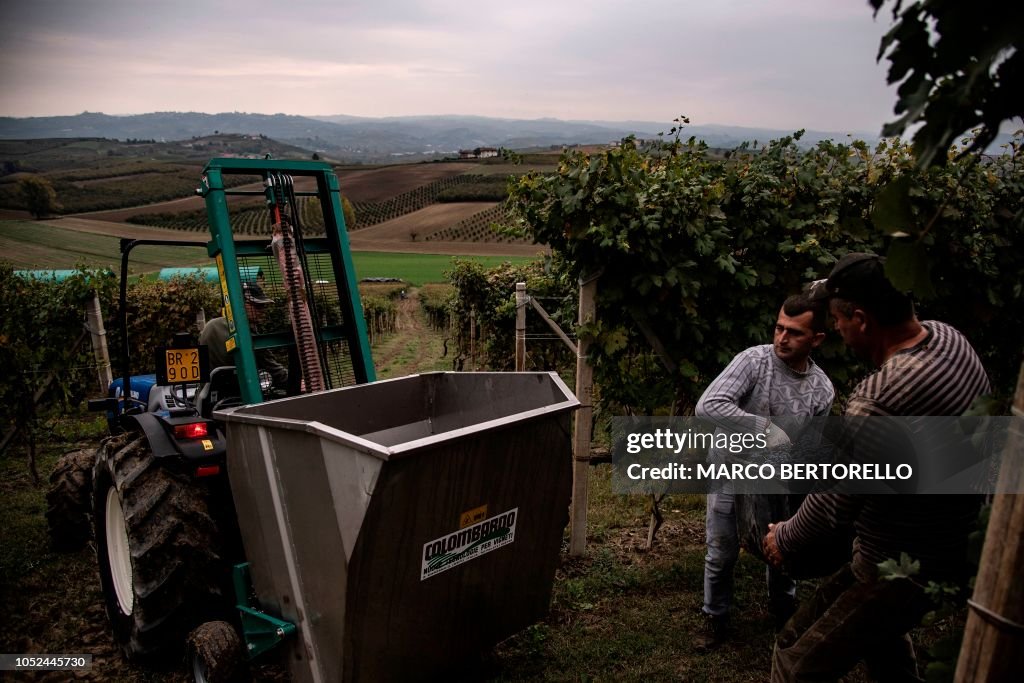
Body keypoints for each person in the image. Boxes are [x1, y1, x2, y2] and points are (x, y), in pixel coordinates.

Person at [764, 253, 990, 682]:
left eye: (837, 320)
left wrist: (785, 538)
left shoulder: (881, 397)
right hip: (950, 541)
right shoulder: (951, 340)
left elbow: (836, 503)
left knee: (795, 658)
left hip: (898, 562)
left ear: (862, 319)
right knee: (886, 651)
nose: (836, 331)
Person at [693, 293, 835, 650]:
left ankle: (784, 610)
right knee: (721, 548)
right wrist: (767, 430)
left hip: (779, 480)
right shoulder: (753, 362)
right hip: (731, 471)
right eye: (778, 328)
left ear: (816, 339)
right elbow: (708, 405)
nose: (782, 338)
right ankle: (715, 617)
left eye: (794, 333)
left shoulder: (822, 388)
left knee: (783, 545)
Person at [199, 281, 288, 389]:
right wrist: (295, 381)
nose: (262, 310)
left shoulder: (210, 326)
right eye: (257, 306)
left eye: (263, 306)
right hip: (242, 394)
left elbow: (202, 369)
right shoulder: (246, 334)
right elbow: (274, 371)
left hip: (208, 396)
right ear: (239, 304)